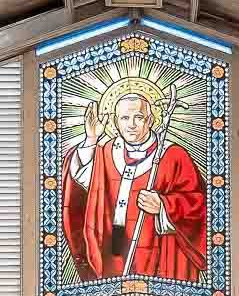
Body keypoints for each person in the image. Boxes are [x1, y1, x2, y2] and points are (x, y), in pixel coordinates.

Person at [59, 83, 207, 283]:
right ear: (115, 121)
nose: (131, 125)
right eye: (125, 118)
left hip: (159, 249)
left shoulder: (173, 155)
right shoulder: (106, 150)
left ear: (151, 120)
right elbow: (85, 183)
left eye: (138, 117)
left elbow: (198, 205)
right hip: (113, 248)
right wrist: (91, 139)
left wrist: (164, 206)